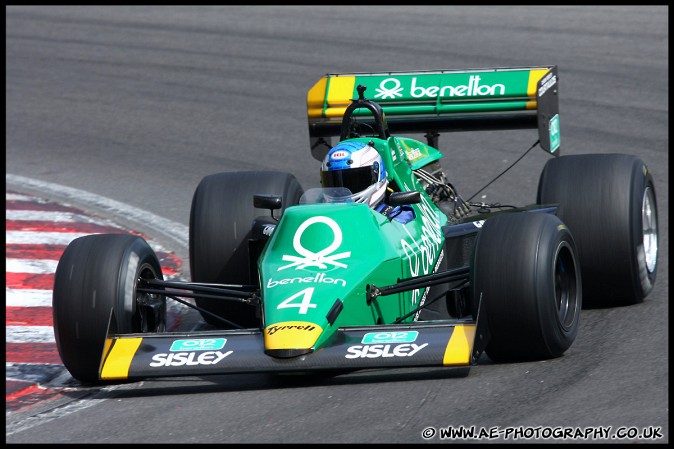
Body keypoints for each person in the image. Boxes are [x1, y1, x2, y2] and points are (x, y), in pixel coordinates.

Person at [320, 141, 415, 224]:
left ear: (378, 175)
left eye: (355, 181)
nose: (342, 191)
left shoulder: (399, 216)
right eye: (334, 182)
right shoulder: (320, 214)